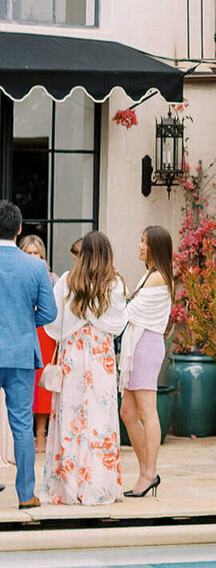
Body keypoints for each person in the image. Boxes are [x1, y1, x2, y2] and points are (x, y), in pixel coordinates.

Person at [41, 230, 128, 506]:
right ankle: (98, 485)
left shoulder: (68, 280)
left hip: (72, 356)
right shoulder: (113, 284)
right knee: (99, 419)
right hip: (100, 357)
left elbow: (52, 322)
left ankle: (66, 486)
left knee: (70, 417)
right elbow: (118, 323)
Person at [0, 200, 57, 509]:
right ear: (19, 229)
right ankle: (25, 496)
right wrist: (23, 322)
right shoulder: (35, 266)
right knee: (22, 425)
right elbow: (48, 313)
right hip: (21, 353)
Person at [119, 225, 174, 498]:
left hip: (145, 346)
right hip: (137, 345)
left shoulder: (158, 278)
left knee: (146, 412)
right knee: (128, 413)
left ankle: (149, 473)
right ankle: (145, 471)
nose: (140, 246)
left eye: (144, 242)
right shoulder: (149, 275)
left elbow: (129, 310)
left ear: (156, 247)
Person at [17, 233, 55, 452]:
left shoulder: (52, 278)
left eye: (36, 253)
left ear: (43, 256)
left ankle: (41, 433)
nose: (32, 256)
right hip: (20, 333)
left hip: (44, 333)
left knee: (41, 386)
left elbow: (54, 309)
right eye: (28, 253)